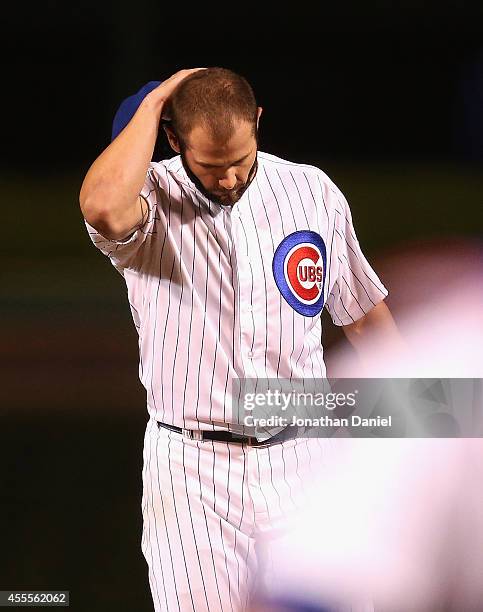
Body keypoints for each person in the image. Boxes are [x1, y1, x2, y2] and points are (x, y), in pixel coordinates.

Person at [79, 67, 401, 612]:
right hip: (192, 474)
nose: (228, 178)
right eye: (210, 165)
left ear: (257, 122)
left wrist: (426, 426)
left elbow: (365, 318)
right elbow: (103, 207)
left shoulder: (310, 191)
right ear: (175, 140)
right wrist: (157, 101)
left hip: (306, 457)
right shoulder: (151, 199)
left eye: (240, 162)